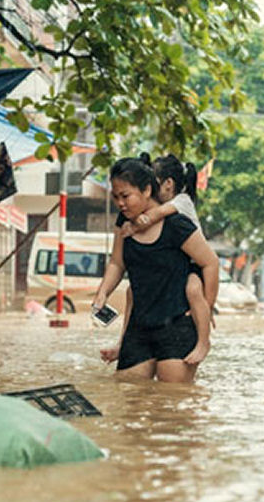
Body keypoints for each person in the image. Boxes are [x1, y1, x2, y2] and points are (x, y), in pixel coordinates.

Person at [92, 157, 218, 383]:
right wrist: (103, 293)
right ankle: (122, 346)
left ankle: (202, 343)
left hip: (176, 327)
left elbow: (211, 263)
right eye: (116, 197)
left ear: (147, 190)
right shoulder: (124, 224)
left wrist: (206, 308)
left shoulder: (177, 224)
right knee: (128, 397)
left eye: (125, 196)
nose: (120, 203)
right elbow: (117, 263)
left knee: (171, 403)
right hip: (139, 328)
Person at [118, 154, 214, 361]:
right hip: (181, 265)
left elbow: (155, 215)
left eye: (152, 181)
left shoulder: (182, 201)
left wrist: (135, 225)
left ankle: (204, 342)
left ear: (168, 184)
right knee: (131, 291)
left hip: (194, 266)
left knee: (193, 289)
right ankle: (122, 342)